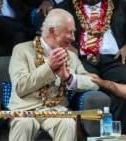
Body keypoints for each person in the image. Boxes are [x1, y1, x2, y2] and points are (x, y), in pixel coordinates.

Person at [53, 0, 126, 136]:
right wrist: (64, 45)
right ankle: (92, 136)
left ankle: (125, 135)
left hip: (113, 58)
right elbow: (49, 32)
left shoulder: (119, 5)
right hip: (82, 58)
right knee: (89, 83)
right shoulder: (64, 7)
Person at [7, 8, 99, 141]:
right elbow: (21, 87)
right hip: (24, 110)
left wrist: (69, 78)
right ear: (52, 31)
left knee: (67, 123)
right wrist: (48, 67)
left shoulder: (71, 56)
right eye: (69, 32)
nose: (73, 38)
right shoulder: (21, 50)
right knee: (23, 124)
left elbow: (93, 83)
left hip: (56, 110)